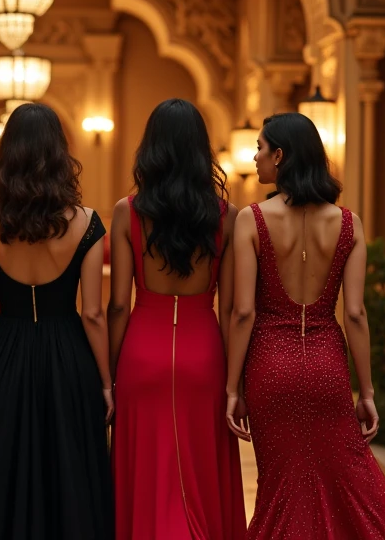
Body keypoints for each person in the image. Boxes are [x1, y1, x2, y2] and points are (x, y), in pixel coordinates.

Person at [224, 112, 385, 539]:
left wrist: (232, 387)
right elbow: (355, 315)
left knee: (280, 489)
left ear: (280, 154)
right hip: (329, 366)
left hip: (270, 367)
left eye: (259, 148)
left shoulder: (251, 219)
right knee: (350, 484)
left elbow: (242, 312)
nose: (254, 158)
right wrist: (366, 392)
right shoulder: (348, 223)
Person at [0, 102, 113, 540]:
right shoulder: (85, 222)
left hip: (6, 349)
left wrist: (5, 342)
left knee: (1, 470)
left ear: (7, 153)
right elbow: (92, 312)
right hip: (69, 352)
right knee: (67, 470)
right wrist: (106, 382)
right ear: (59, 153)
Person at [109, 98, 247, 540]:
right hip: (203, 350)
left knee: (146, 468)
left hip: (141, 351)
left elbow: (116, 305)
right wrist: (235, 383)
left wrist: (107, 376)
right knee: (200, 467)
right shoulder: (226, 216)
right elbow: (231, 308)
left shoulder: (126, 211)